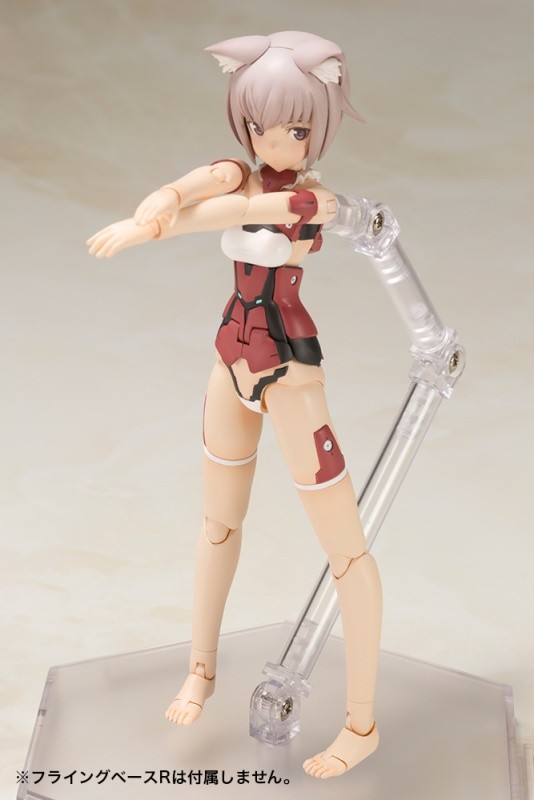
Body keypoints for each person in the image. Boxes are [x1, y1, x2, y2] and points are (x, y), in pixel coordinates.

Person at [87, 30, 382, 780]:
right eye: (256, 124)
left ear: (318, 127)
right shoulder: (240, 173)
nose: (271, 140)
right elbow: (201, 184)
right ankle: (200, 671)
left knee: (346, 552)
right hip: (230, 354)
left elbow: (230, 214)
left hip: (288, 367)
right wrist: (159, 202)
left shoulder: (310, 199)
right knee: (217, 523)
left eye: (292, 127)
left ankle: (362, 724)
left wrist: (155, 229)